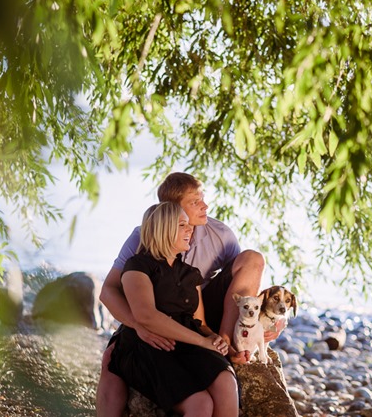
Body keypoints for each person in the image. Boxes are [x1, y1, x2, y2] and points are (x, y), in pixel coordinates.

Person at [97, 172, 277, 416]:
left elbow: (240, 284)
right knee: (111, 360)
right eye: (195, 202)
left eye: (202, 198)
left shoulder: (218, 235)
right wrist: (137, 325)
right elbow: (111, 292)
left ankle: (229, 337)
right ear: (170, 210)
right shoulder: (142, 241)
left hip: (195, 312)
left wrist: (263, 320)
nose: (205, 205)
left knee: (253, 259)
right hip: (155, 311)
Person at [107, 201, 238, 416]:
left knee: (226, 382)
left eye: (189, 225)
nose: (191, 229)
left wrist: (215, 338)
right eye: (182, 225)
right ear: (164, 229)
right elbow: (146, 316)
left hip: (187, 345)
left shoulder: (190, 273)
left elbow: (200, 323)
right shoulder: (137, 266)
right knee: (201, 405)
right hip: (150, 344)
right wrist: (202, 342)